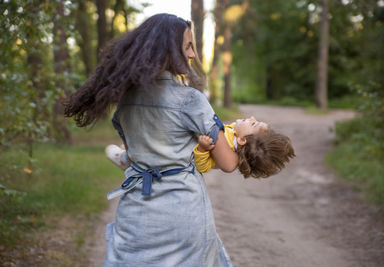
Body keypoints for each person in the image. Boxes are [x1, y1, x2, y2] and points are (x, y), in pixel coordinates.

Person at [64, 13, 236, 266]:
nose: (192, 55)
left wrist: (127, 158)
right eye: (188, 46)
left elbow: (134, 151)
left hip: (137, 211)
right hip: (183, 211)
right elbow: (228, 163)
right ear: (169, 48)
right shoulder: (190, 100)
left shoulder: (126, 98)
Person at [106, 116, 295, 178]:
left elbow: (203, 167)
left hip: (178, 154)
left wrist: (204, 150)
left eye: (254, 124)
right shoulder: (234, 138)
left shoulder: (229, 151)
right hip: (180, 140)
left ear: (244, 140)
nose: (252, 118)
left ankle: (127, 159)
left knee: (154, 141)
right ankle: (131, 153)